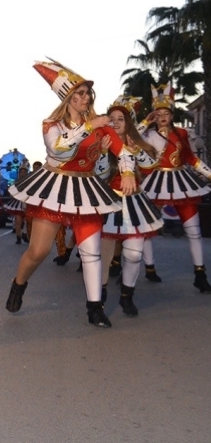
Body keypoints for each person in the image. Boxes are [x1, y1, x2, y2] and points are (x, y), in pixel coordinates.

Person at [5, 60, 136, 327]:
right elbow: (58, 150)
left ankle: (94, 308)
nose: (84, 98)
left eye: (87, 93)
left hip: (86, 190)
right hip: (54, 187)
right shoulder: (52, 124)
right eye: (78, 93)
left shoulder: (101, 125)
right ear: (68, 98)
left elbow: (123, 152)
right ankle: (18, 284)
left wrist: (127, 171)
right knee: (39, 252)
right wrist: (90, 128)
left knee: (91, 252)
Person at [137, 83, 211, 293]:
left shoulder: (181, 133)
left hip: (182, 182)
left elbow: (191, 159)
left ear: (171, 114)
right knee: (146, 226)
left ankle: (200, 273)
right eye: (158, 113)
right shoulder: (148, 135)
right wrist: (145, 121)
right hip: (155, 183)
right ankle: (149, 267)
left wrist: (209, 174)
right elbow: (131, 141)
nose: (162, 116)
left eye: (165, 113)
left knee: (194, 230)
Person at [98, 96, 162, 315]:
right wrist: (104, 153)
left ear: (128, 123)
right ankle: (100, 298)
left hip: (134, 202)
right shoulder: (101, 143)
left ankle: (127, 295)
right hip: (108, 202)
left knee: (134, 254)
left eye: (121, 119)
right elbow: (100, 174)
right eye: (112, 118)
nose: (115, 122)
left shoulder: (136, 144)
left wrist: (135, 150)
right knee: (103, 256)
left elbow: (150, 166)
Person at [3, 166, 28, 244]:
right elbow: (11, 192)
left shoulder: (29, 181)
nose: (22, 173)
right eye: (21, 172)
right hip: (18, 203)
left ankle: (25, 233)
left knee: (28, 221)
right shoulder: (15, 182)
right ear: (19, 173)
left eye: (24, 172)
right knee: (18, 221)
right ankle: (18, 237)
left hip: (27, 202)